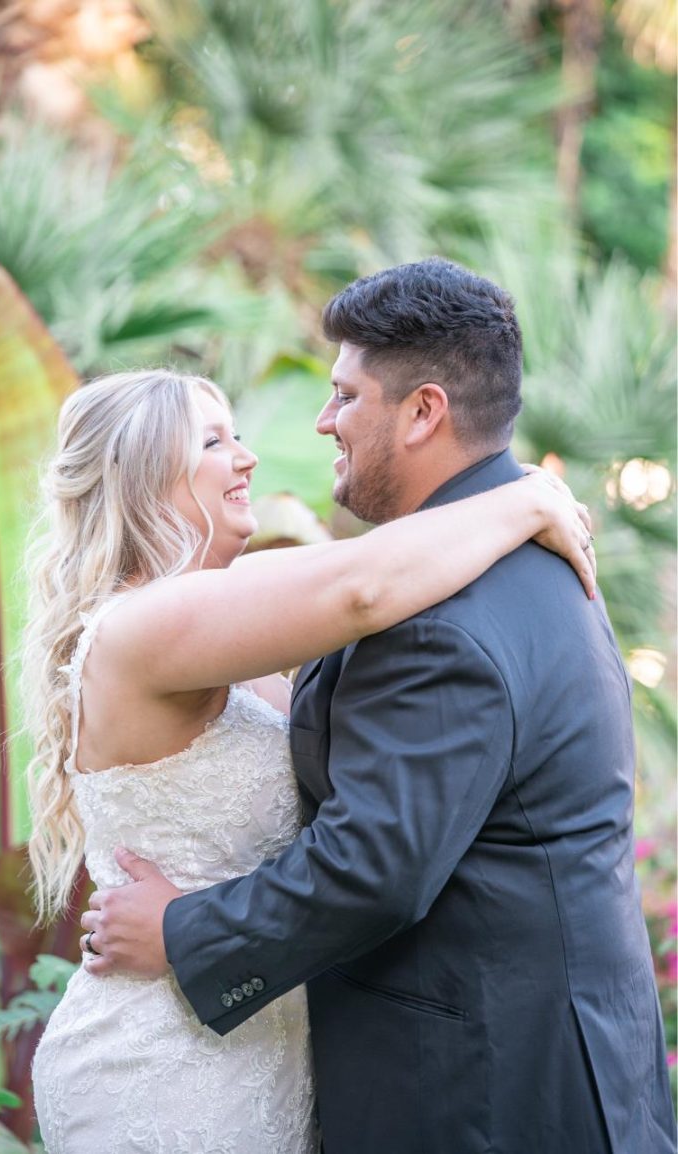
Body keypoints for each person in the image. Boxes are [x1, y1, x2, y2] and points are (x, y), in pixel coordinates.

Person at [81, 260, 676, 1154]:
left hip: (482, 1089)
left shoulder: (440, 615)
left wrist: (184, 931)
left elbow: (373, 867)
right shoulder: (511, 555)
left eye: (344, 395)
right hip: (553, 1060)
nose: (322, 421)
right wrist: (535, 494)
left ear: (423, 411)